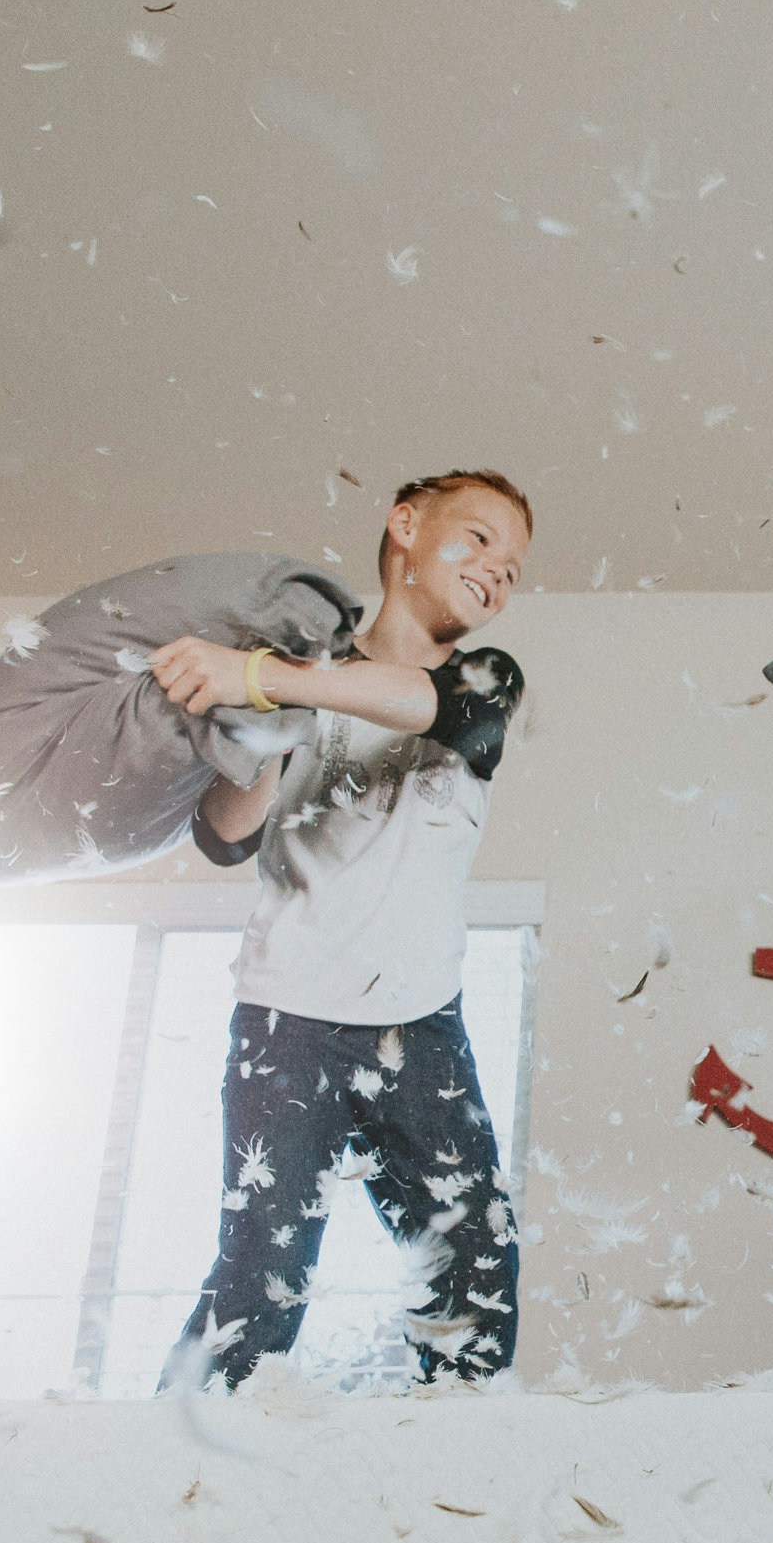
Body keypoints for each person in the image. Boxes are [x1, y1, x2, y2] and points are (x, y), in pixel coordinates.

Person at [149, 470, 533, 1390]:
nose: (497, 571)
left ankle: (447, 1485)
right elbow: (222, 835)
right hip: (287, 1025)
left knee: (477, 1283)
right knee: (262, 1284)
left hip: (419, 1029)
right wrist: (266, 716)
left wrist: (264, 676)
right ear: (405, 526)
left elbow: (448, 716)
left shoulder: (482, 677)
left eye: (514, 567)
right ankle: (160, 1465)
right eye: (477, 538)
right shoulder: (295, 676)